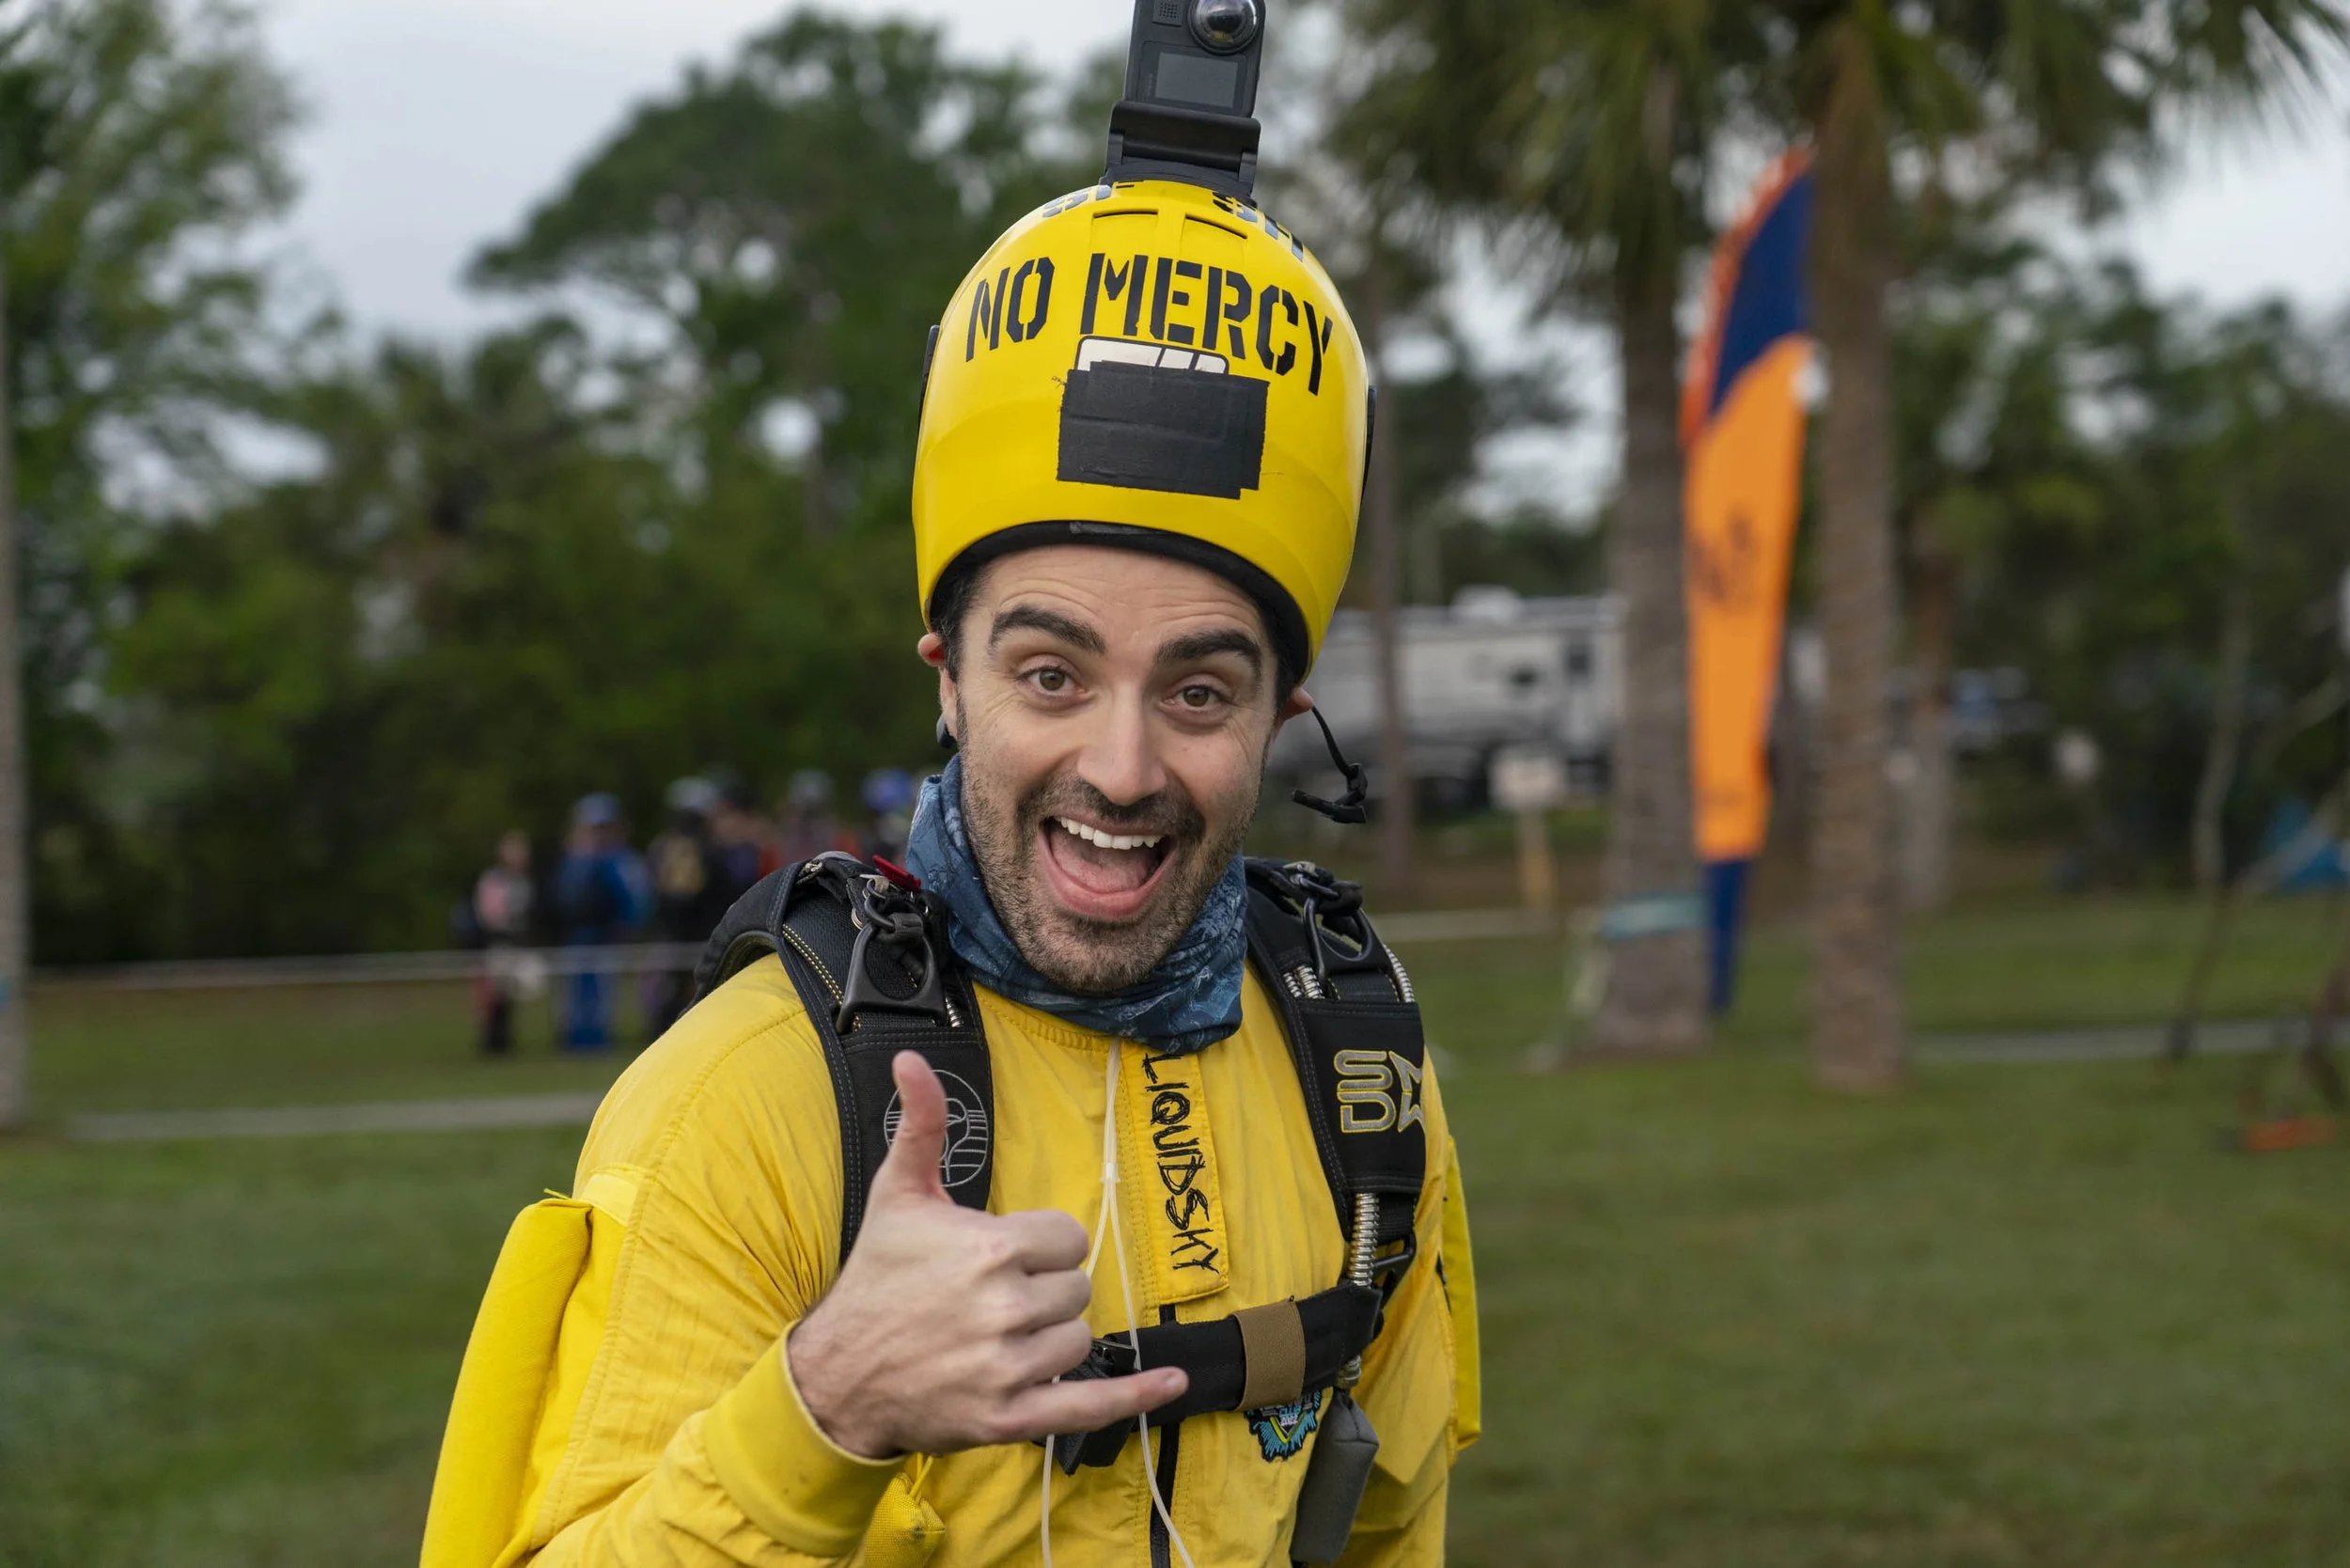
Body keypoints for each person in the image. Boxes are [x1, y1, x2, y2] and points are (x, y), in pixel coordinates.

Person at [423, 155, 1477, 1565]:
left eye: (1199, 691)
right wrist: (823, 1410)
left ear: (1283, 719)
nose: (1121, 766)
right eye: (1050, 674)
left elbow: (1396, 1529)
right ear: (949, 682)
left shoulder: (1358, 1074)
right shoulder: (743, 1101)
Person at [553, 792, 650, 1050]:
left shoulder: (621, 861)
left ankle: (598, 1037)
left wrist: (627, 926)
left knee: (602, 989)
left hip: (607, 935)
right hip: (579, 935)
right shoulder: (575, 862)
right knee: (576, 989)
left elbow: (633, 901)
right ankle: (575, 1037)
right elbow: (562, 900)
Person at [470, 830, 538, 1056]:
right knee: (495, 995)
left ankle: (505, 1037)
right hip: (499, 943)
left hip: (518, 943)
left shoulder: (525, 882)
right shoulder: (494, 880)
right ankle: (492, 1039)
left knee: (514, 993)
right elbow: (490, 916)